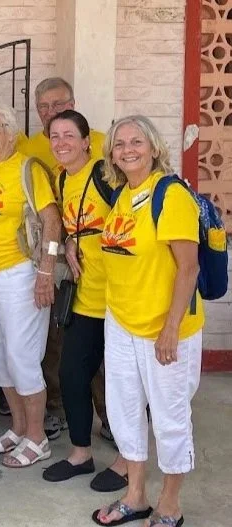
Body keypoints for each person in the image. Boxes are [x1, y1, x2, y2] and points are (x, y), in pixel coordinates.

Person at [93, 116, 203, 527]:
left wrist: (171, 327)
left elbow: (187, 269)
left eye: (136, 141)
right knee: (124, 411)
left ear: (154, 147)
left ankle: (170, 503)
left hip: (163, 327)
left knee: (170, 414)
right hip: (121, 321)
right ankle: (135, 495)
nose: (127, 150)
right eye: (119, 144)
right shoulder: (124, 194)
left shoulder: (169, 194)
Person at [40, 110, 128, 490]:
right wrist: (70, 244)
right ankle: (81, 453)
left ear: (86, 140)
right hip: (85, 296)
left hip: (121, 299)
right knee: (72, 374)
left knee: (124, 384)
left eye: (68, 135)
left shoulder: (105, 174)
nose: (61, 143)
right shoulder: (63, 177)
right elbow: (71, 227)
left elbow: (130, 224)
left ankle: (127, 460)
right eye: (54, 136)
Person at [0, 102, 61, 467]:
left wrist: (45, 272)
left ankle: (38, 438)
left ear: (11, 132)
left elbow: (52, 224)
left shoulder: (26, 167)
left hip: (20, 273)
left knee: (22, 356)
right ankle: (19, 427)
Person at [19, 77, 110, 441]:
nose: (50, 114)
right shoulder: (31, 148)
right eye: (43, 108)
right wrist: (67, 242)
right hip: (62, 261)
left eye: (57, 105)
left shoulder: (104, 146)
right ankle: (64, 415)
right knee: (60, 347)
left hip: (111, 274)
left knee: (104, 359)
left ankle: (113, 422)